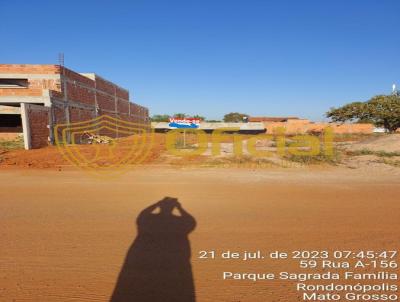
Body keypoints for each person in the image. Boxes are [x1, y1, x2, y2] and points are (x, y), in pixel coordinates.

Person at [110, 197, 196, 302]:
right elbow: (191, 222)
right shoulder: (179, 223)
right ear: (173, 208)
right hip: (171, 267)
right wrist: (180, 208)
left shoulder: (149, 220)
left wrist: (156, 204)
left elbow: (142, 215)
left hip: (145, 264)